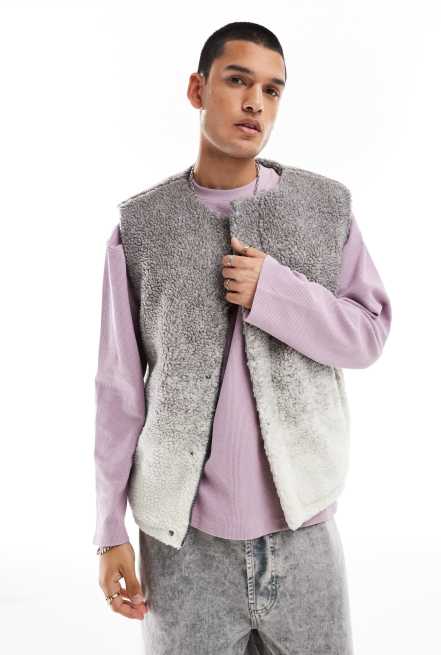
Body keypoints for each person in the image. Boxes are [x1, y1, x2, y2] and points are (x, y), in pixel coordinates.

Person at [93, 20, 392, 654]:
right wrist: (108, 528)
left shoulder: (325, 208)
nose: (255, 102)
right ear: (197, 89)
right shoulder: (140, 228)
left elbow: (368, 334)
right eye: (237, 81)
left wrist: (275, 293)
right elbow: (119, 391)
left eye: (272, 90)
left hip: (304, 533)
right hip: (182, 546)